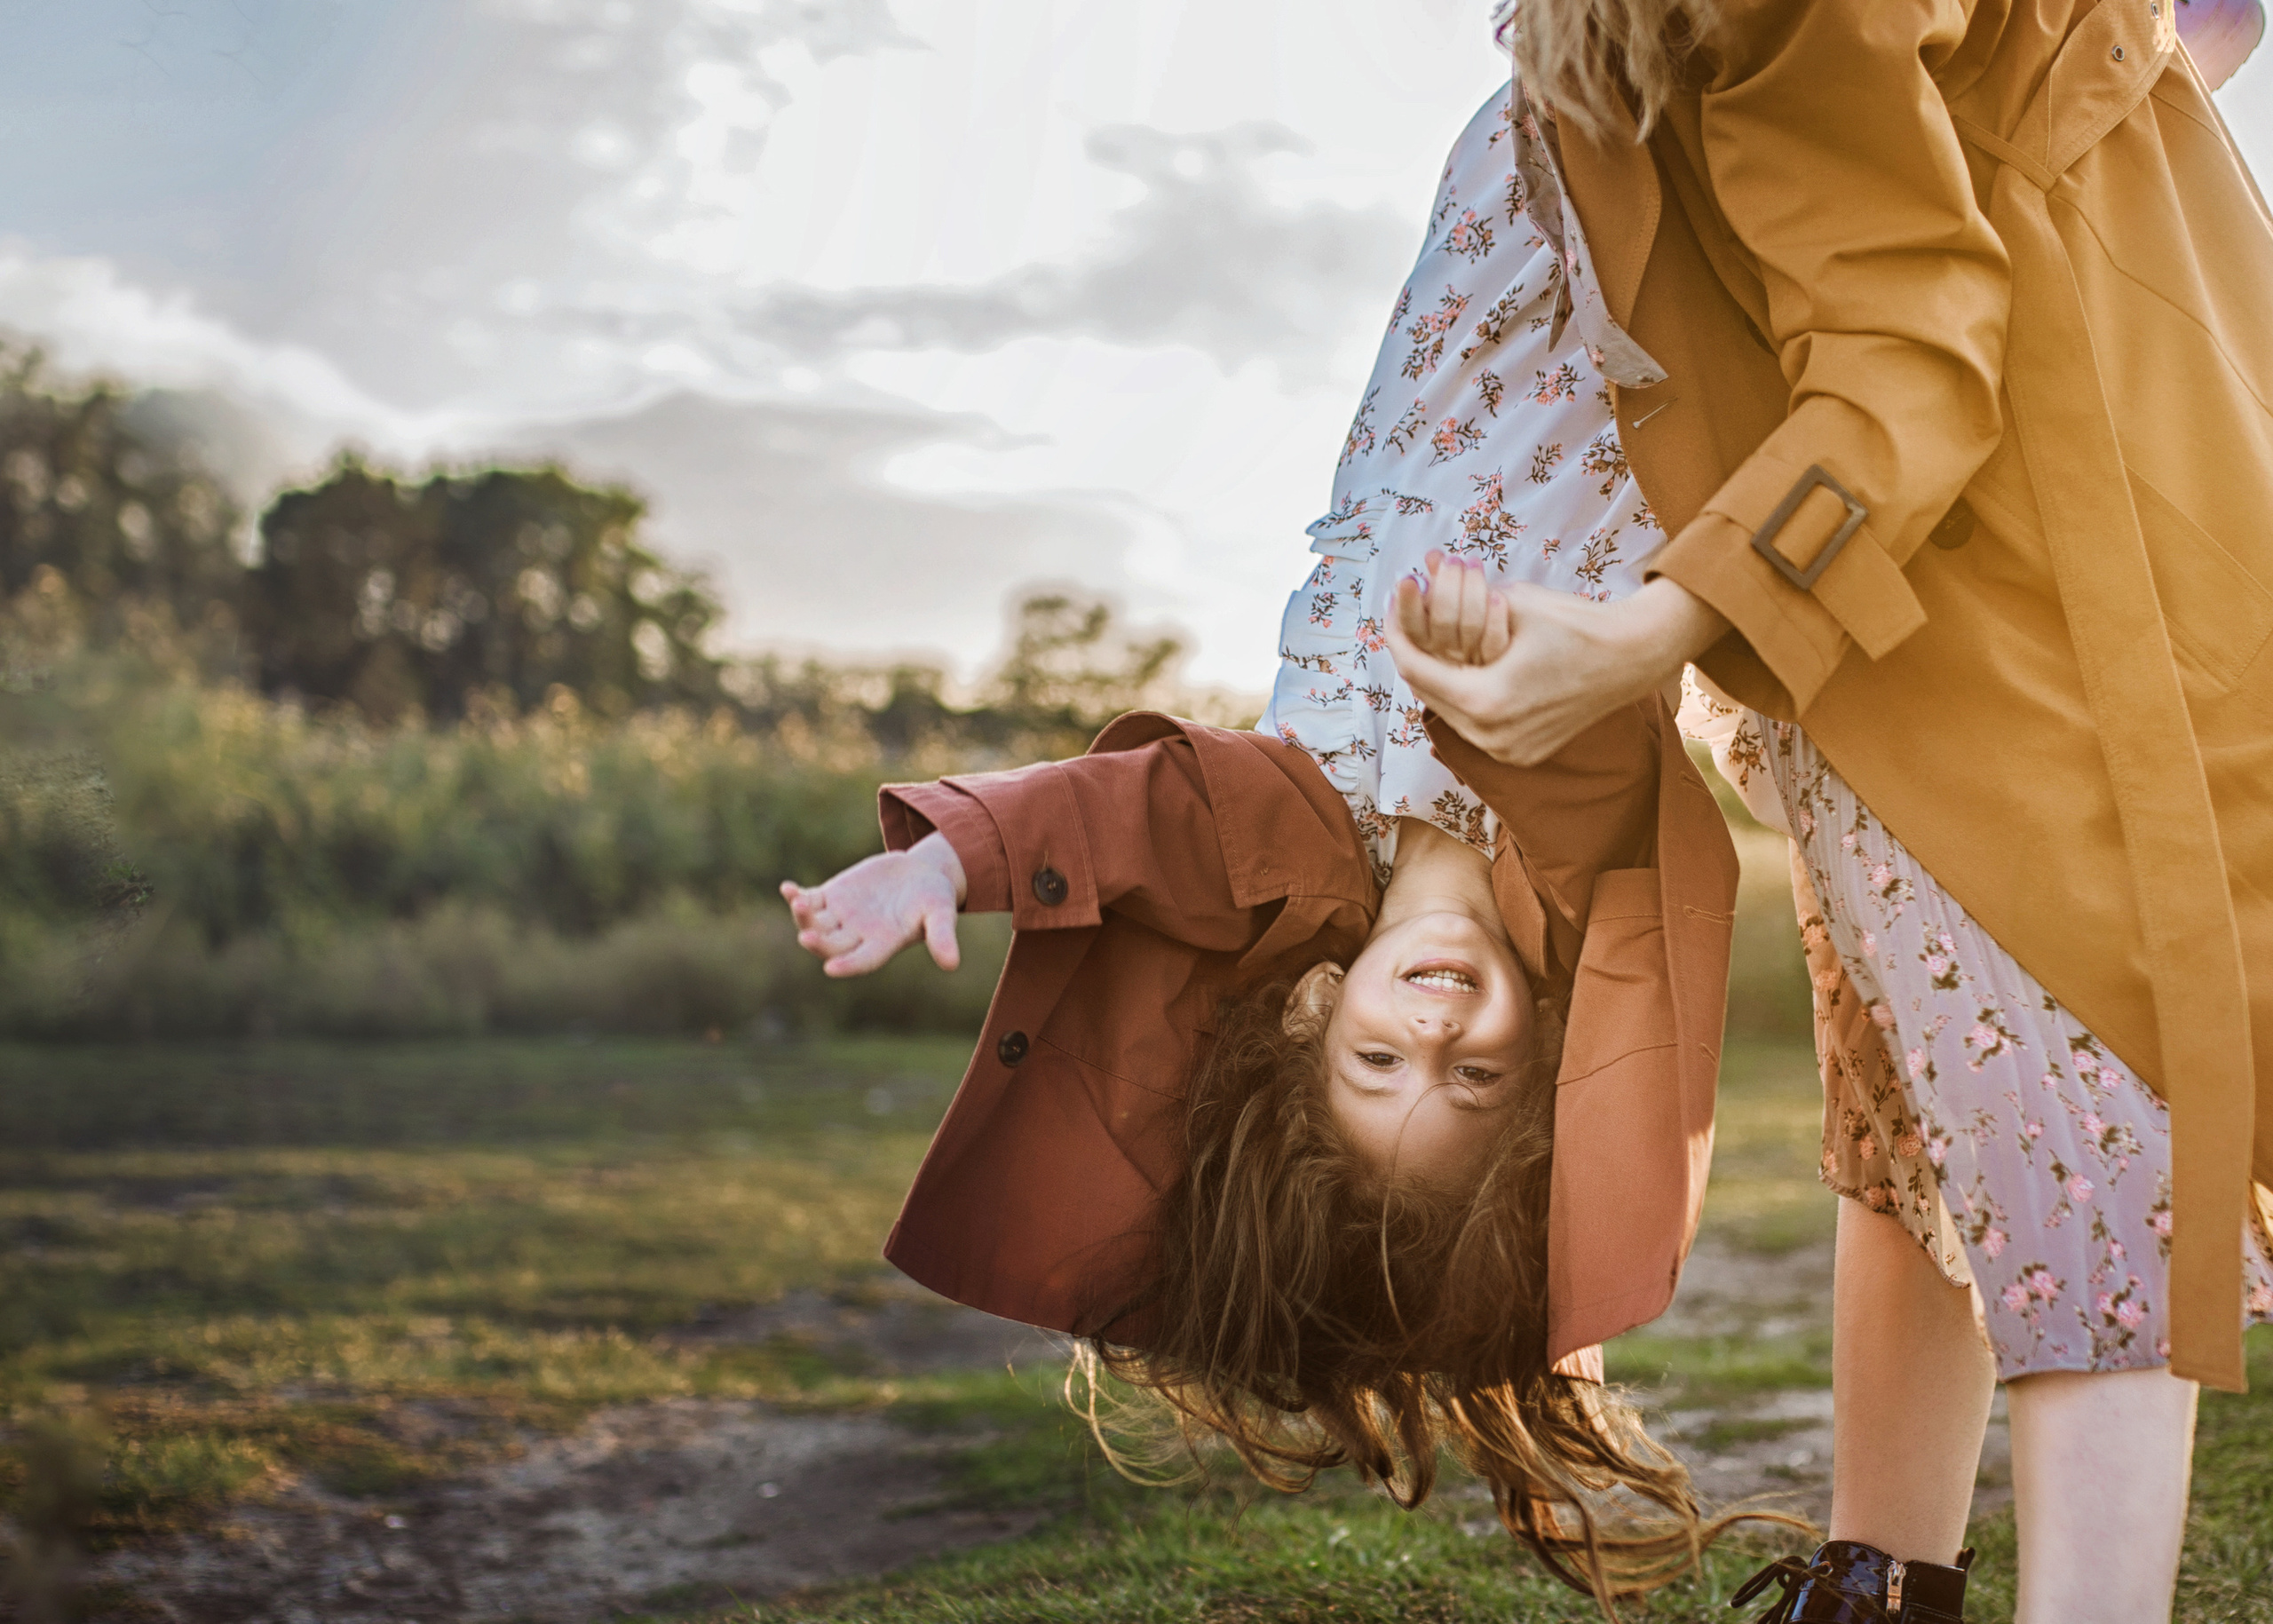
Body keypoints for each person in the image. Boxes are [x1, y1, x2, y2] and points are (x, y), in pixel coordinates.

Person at [1387, 0, 2273, 1619]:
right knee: (1921, 1114)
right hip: (1885, 590)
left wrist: (1657, 622)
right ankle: (1882, 1581)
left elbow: (1915, 343)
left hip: (2010, 577)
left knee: (2075, 1111)